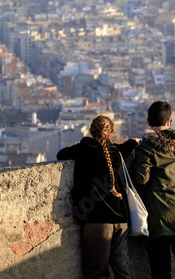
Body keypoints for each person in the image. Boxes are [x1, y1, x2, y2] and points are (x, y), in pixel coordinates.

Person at [56, 115, 139, 279]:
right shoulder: (114, 152)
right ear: (111, 132)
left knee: (97, 272)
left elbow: (61, 154)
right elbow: (124, 148)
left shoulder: (85, 148)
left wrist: (81, 144)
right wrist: (133, 142)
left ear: (91, 130)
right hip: (121, 218)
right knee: (122, 270)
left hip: (98, 220)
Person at [132, 101, 175, 279]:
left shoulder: (146, 148)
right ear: (169, 121)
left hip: (160, 218)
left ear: (148, 122)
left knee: (161, 273)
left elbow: (141, 178)